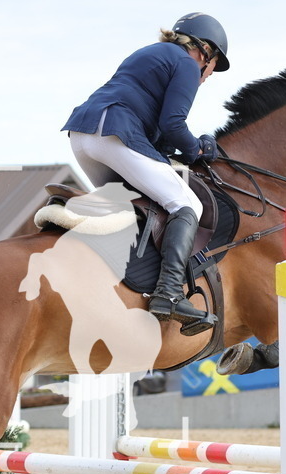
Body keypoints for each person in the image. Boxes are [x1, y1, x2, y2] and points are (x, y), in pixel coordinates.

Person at [61, 12, 230, 335]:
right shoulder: (185, 63)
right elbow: (174, 124)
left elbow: (160, 135)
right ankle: (167, 294)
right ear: (204, 52)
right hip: (113, 133)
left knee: (135, 206)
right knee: (187, 205)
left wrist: (185, 148)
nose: (207, 77)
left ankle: (117, 279)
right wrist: (197, 149)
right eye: (212, 68)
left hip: (83, 136)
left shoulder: (151, 55)